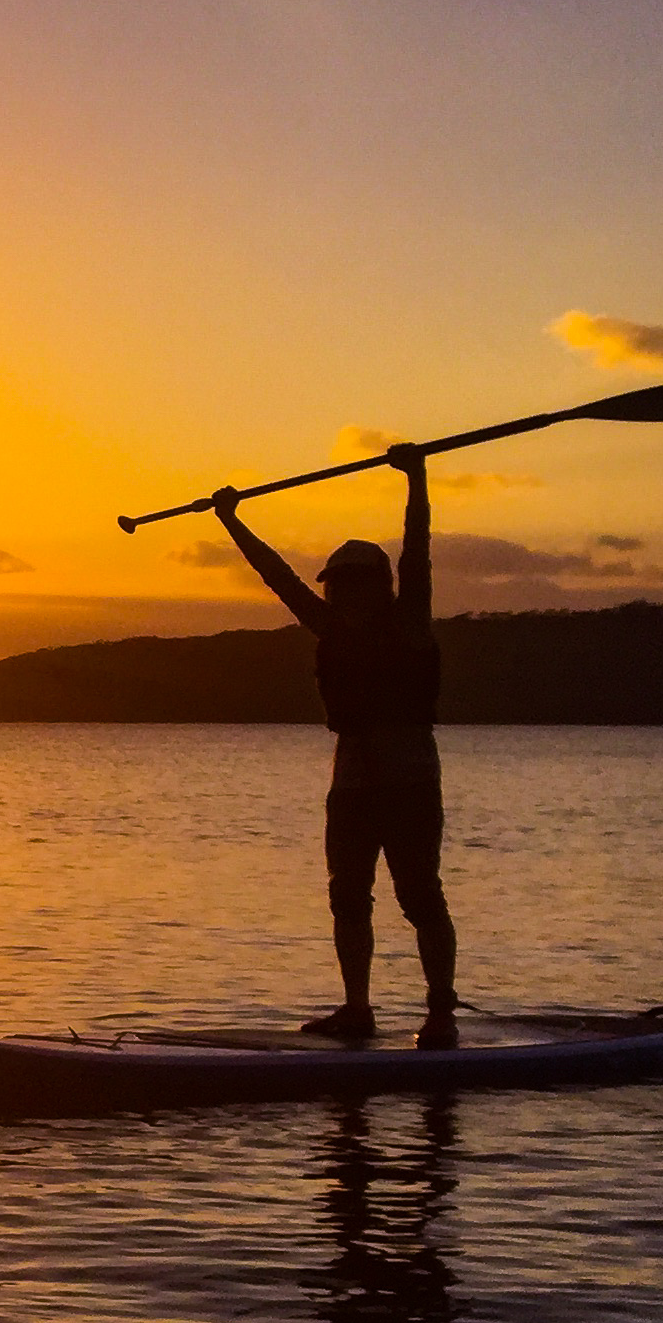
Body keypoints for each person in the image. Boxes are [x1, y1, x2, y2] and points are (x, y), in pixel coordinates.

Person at [211, 441, 460, 1049]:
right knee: (348, 898)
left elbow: (418, 547)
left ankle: (441, 1015)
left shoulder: (409, 625)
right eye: (336, 587)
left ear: (378, 587)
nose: (340, 596)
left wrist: (417, 479)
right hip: (350, 785)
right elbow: (278, 578)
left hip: (407, 782)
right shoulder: (328, 628)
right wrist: (231, 520)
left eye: (353, 586)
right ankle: (357, 1009)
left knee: (419, 896)